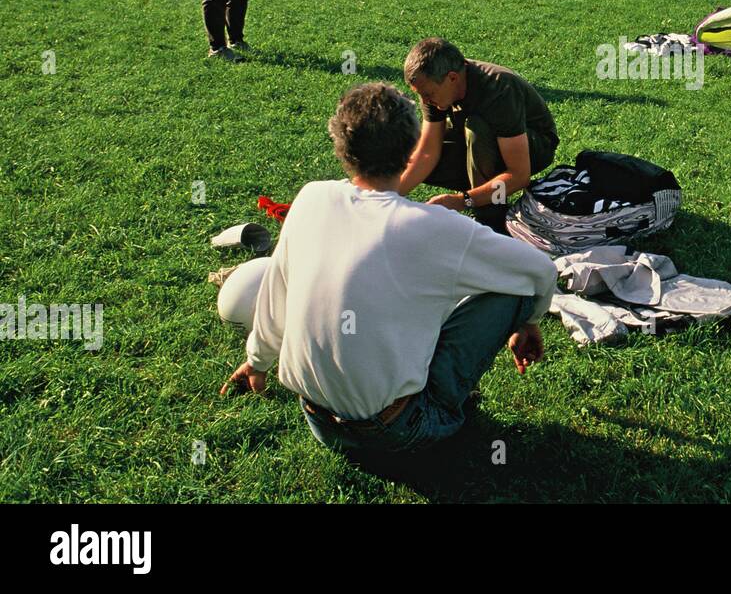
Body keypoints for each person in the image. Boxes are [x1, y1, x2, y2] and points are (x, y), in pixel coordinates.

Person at [219, 82, 555, 458]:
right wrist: (528, 321)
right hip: (399, 432)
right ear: (412, 149)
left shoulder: (311, 197)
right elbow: (540, 272)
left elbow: (275, 293)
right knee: (512, 290)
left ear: (341, 148)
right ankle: (446, 407)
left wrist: (257, 362)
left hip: (317, 421)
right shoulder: (434, 227)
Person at [398, 37, 558, 233]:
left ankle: (491, 219)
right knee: (407, 149)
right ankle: (482, 188)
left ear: (453, 78)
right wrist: (391, 195)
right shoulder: (434, 86)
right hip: (480, 140)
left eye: (428, 94)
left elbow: (518, 174)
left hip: (533, 146)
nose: (424, 101)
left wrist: (462, 200)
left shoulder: (498, 89)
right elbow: (426, 153)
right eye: (420, 94)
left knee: (476, 128)